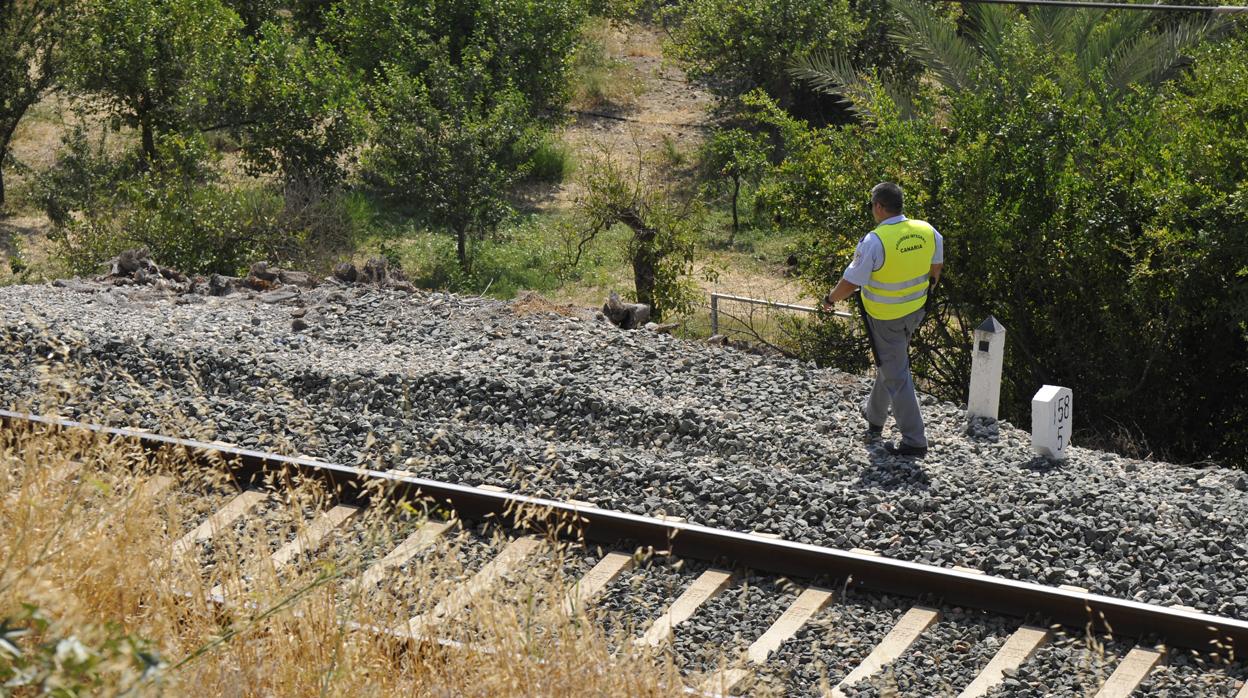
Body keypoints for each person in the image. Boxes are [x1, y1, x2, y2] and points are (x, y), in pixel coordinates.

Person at [820, 182, 943, 457]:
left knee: (897, 374)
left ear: (878, 206)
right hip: (915, 312)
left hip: (885, 317)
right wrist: (924, 296)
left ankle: (914, 440)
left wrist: (829, 300)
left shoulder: (874, 241)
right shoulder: (928, 231)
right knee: (892, 362)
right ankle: (874, 418)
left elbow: (851, 282)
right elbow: (936, 268)